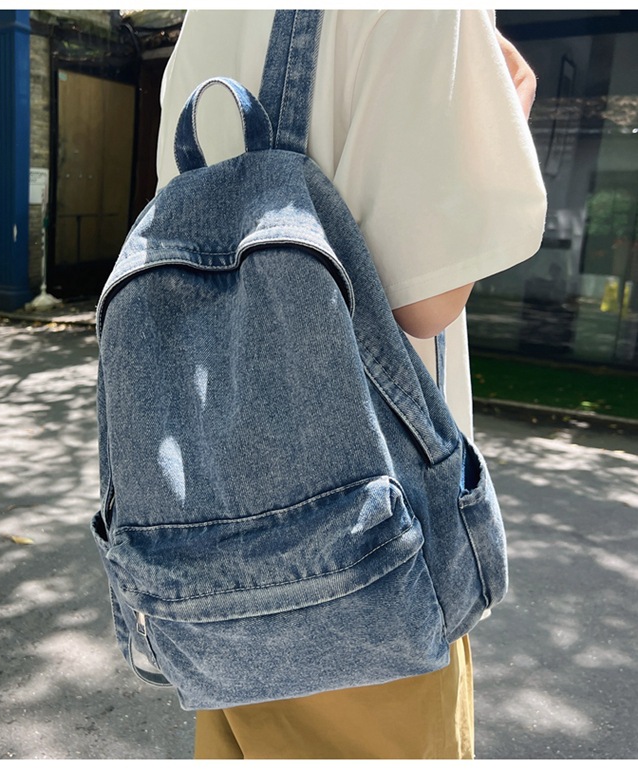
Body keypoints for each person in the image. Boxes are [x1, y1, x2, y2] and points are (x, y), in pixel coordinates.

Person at [154, 10, 547, 760]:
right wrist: (501, 121)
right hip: (365, 558)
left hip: (208, 558)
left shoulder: (204, 17)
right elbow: (422, 304)